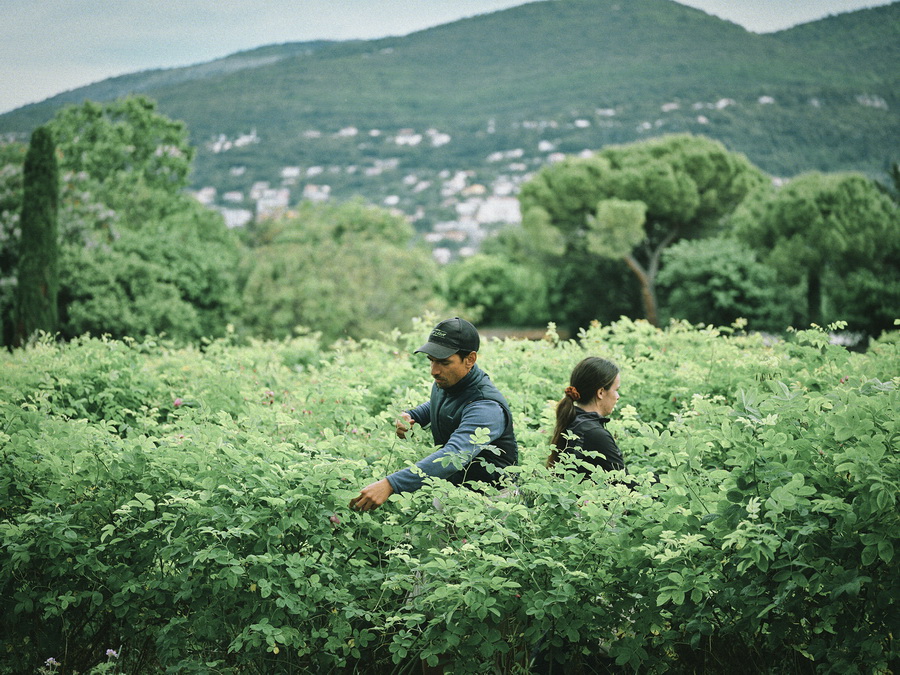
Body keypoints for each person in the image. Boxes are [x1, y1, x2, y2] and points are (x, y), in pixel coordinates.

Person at [350, 317, 518, 511]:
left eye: (444, 362)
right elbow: (439, 404)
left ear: (470, 359)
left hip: (492, 503)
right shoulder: (450, 382)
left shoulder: (486, 407)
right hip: (452, 490)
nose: (434, 371)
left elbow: (453, 456)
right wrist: (412, 417)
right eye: (432, 360)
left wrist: (390, 484)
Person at [546, 356, 626, 476]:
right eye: (616, 390)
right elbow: (624, 481)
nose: (618, 396)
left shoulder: (573, 419)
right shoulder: (595, 434)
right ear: (600, 392)